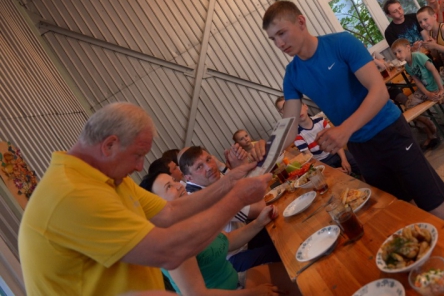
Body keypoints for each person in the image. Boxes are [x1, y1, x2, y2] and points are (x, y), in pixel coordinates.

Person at [262, 0, 444, 234]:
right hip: (361, 148)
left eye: (282, 33)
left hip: (389, 132)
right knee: (402, 212)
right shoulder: (292, 74)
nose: (279, 43)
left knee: (435, 206)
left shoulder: (341, 43)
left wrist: (344, 130)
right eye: (273, 39)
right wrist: (264, 155)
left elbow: (379, 92)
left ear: (301, 22)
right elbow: (289, 125)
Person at [18, 102, 270, 296]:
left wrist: (229, 181)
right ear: (109, 145)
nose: (140, 167)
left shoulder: (108, 177)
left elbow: (169, 212)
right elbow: (168, 251)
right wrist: (237, 197)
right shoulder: (73, 194)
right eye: (138, 155)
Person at [139, 172, 298, 296]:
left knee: (297, 269)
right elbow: (198, 294)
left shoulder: (193, 218)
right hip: (237, 291)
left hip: (237, 281)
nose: (179, 185)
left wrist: (259, 222)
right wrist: (252, 292)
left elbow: (227, 240)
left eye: (175, 180)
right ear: (155, 206)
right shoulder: (172, 242)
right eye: (169, 187)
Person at [179, 146, 281, 273]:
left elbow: (245, 189)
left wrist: (240, 167)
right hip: (232, 259)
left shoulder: (210, 181)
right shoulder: (202, 198)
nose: (209, 167)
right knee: (281, 248)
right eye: (199, 167)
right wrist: (242, 166)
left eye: (208, 159)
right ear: (188, 177)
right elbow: (259, 209)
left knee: (280, 229)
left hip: (245, 239)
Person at [391, 38, 444, 129]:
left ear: (408, 48)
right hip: (425, 89)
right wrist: (427, 93)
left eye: (399, 51)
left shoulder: (418, 56)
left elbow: (433, 70)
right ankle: (428, 124)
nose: (397, 55)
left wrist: (441, 89)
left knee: (438, 96)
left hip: (434, 84)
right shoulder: (407, 66)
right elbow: (417, 82)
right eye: (395, 53)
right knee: (409, 106)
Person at [274, 96, 361, 173]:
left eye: (298, 106)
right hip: (323, 162)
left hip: (336, 153)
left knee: (358, 164)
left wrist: (344, 160)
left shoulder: (320, 121)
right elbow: (310, 158)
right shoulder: (297, 134)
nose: (297, 111)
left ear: (305, 106)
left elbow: (335, 143)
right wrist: (334, 171)